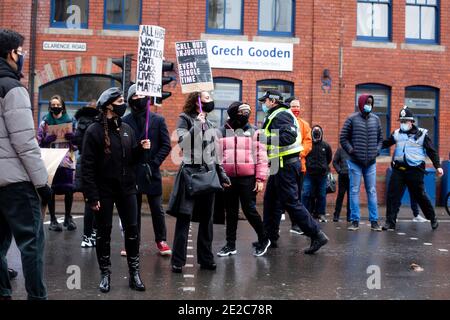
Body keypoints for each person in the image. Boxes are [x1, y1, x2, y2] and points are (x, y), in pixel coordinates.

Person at [81, 87, 149, 293]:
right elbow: (87, 166)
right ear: (109, 105)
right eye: (119, 101)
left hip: (128, 188)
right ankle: (105, 274)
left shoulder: (127, 128)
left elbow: (130, 159)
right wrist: (91, 195)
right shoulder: (93, 131)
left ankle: (134, 273)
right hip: (104, 191)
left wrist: (140, 149)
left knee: (132, 231)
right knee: (104, 233)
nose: (123, 104)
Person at [0, 28, 51, 300]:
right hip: (16, 184)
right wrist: (42, 183)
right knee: (31, 244)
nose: (21, 57)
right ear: (11, 54)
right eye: (20, 52)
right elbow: (25, 143)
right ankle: (36, 296)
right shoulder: (12, 88)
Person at [167, 91, 231, 273]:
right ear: (198, 102)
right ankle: (177, 261)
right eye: (207, 98)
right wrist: (197, 125)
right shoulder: (184, 118)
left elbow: (215, 153)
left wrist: (222, 174)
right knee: (184, 219)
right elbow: (182, 143)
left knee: (207, 221)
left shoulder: (210, 123)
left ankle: (206, 259)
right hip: (190, 175)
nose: (211, 100)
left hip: (208, 175)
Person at [259, 90, 328, 254]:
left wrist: (264, 140)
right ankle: (270, 237)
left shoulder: (281, 115)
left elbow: (288, 137)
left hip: (286, 166)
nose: (264, 103)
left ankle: (316, 234)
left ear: (273, 101)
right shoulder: (276, 114)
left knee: (291, 202)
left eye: (266, 100)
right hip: (279, 164)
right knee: (270, 202)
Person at [123, 84, 172, 256]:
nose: (138, 99)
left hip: (151, 172)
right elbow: (122, 146)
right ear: (129, 100)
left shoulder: (157, 120)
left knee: (157, 209)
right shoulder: (124, 121)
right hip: (132, 173)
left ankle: (161, 240)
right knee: (132, 210)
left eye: (140, 95)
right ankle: (132, 241)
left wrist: (154, 163)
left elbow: (166, 145)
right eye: (134, 96)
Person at [217, 101, 269, 257]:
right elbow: (217, 156)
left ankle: (264, 239)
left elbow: (262, 157)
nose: (246, 114)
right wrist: (220, 176)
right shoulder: (221, 131)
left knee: (249, 210)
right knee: (231, 212)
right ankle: (230, 245)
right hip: (228, 178)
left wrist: (260, 179)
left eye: (248, 111)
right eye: (242, 111)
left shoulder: (255, 132)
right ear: (233, 113)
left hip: (248, 179)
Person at [382, 106, 442, 231]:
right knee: (393, 196)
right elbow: (385, 143)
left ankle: (432, 218)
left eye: (405, 121)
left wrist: (438, 166)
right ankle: (390, 222)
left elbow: (432, 151)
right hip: (399, 170)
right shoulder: (397, 134)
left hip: (415, 170)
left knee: (420, 196)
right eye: (401, 121)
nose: (403, 124)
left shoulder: (422, 134)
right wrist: (372, 144)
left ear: (412, 122)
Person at [340, 94, 383, 231]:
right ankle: (354, 221)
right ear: (361, 103)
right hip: (355, 162)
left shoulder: (376, 120)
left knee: (372, 191)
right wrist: (351, 151)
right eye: (367, 102)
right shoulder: (351, 119)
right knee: (354, 190)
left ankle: (374, 221)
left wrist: (377, 150)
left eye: (371, 103)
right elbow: (343, 138)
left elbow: (380, 139)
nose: (369, 105)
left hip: (371, 162)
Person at [37, 95, 76, 232]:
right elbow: (38, 142)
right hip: (51, 159)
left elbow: (77, 143)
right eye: (53, 105)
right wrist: (46, 140)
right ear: (50, 106)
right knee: (51, 190)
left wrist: (73, 138)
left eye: (58, 104)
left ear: (62, 106)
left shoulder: (70, 121)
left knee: (69, 189)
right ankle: (53, 219)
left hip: (66, 159)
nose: (55, 107)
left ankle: (67, 218)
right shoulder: (45, 123)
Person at [283, 96, 312, 234]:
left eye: (298, 106)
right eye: (294, 106)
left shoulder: (304, 125)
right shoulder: (283, 121)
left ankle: (296, 224)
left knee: (297, 196)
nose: (296, 109)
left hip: (299, 166)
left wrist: (299, 153)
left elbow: (308, 142)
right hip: (283, 164)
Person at [73, 100, 100, 248]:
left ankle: (86, 236)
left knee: (88, 203)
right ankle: (94, 234)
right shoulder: (99, 122)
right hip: (97, 165)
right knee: (97, 202)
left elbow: (76, 141)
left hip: (83, 163)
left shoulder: (81, 122)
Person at [302, 125, 332, 222]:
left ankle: (321, 214)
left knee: (321, 195)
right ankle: (304, 213)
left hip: (322, 175)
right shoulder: (308, 145)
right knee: (306, 193)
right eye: (315, 132)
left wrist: (323, 167)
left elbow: (329, 158)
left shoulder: (326, 146)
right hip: (309, 174)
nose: (316, 133)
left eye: (318, 132)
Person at [332, 146, 351, 222]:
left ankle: (349, 216)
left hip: (352, 176)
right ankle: (336, 215)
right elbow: (334, 162)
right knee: (340, 196)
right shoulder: (340, 149)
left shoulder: (355, 148)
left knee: (351, 197)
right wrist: (339, 171)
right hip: (342, 176)